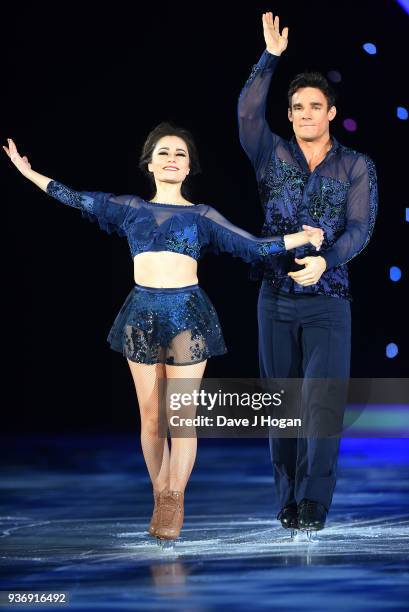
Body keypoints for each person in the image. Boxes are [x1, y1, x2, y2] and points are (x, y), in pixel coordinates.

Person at [3, 124, 323, 541]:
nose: (172, 158)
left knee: (182, 417)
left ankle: (174, 498)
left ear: (189, 168)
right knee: (152, 417)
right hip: (141, 313)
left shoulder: (201, 216)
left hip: (187, 314)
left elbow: (251, 246)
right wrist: (30, 175)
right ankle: (161, 494)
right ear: (150, 163)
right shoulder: (130, 208)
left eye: (180, 154)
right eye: (164, 152)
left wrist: (298, 238)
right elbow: (78, 198)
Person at [237, 12, 378, 533]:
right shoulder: (270, 155)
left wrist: (327, 260)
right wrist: (269, 58)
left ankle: (314, 503)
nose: (303, 115)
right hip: (273, 298)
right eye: (296, 108)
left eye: (313, 107)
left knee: (321, 406)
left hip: (329, 299)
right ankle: (288, 497)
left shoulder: (356, 166)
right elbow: (248, 115)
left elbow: (360, 229)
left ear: (331, 113)